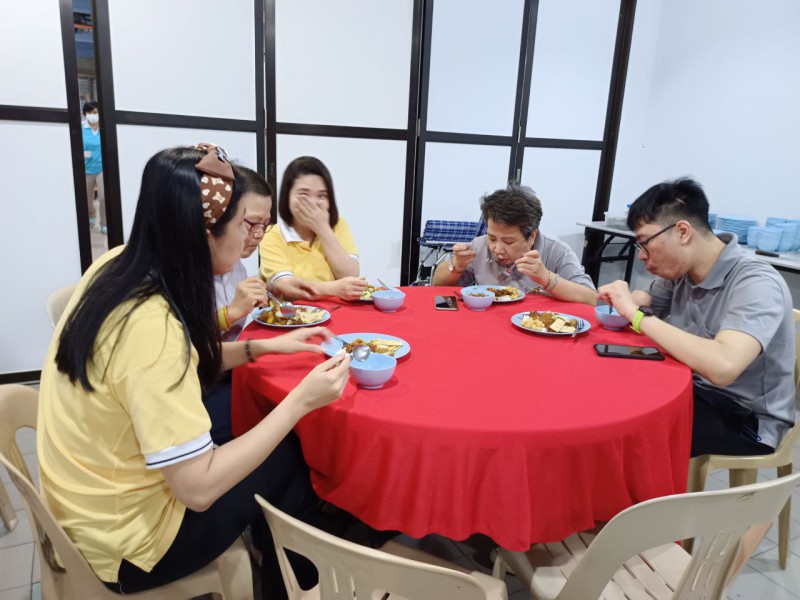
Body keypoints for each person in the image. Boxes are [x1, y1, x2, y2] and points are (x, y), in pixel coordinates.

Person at [38, 144, 351, 599]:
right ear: (204, 231)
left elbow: (182, 361)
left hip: (87, 499)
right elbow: (198, 489)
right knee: (292, 452)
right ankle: (288, 583)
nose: (250, 240)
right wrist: (300, 402)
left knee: (245, 415)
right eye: (244, 225)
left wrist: (263, 348)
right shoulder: (151, 326)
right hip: (130, 544)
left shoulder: (119, 264)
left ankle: (272, 554)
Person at [597, 178, 795, 457]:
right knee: (606, 393)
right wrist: (627, 298)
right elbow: (646, 301)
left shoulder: (757, 282)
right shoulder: (682, 272)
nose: (641, 256)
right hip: (690, 388)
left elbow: (723, 366)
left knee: (629, 433)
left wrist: (634, 313)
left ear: (682, 231)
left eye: (645, 243)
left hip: (745, 415)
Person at [432, 184, 597, 305]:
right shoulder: (479, 245)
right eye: (492, 238)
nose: (497, 249)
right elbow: (437, 285)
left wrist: (546, 277)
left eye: (508, 241)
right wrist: (457, 266)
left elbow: (591, 299)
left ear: (532, 236)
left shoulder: (557, 251)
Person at [260, 156, 367, 301]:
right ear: (287, 196)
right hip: (293, 314)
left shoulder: (338, 226)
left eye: (321, 195)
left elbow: (350, 276)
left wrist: (323, 229)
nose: (313, 203)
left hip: (337, 311)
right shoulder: (272, 234)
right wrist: (335, 289)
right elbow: (288, 287)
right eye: (304, 194)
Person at [216, 166, 272, 343]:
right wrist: (230, 314)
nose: (259, 234)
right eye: (251, 223)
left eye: (265, 224)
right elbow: (183, 339)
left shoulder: (238, 268)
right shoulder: (182, 272)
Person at [81, 101, 107, 234]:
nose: (93, 115)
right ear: (85, 114)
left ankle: (104, 223)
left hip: (102, 167)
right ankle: (91, 214)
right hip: (85, 168)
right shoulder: (81, 128)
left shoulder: (105, 127)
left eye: (95, 112)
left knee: (103, 197)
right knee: (87, 198)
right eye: (90, 112)